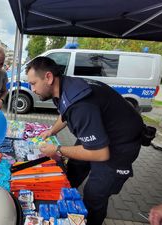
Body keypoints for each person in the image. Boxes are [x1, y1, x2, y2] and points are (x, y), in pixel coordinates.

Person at [26, 57, 144, 225]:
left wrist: (58, 149)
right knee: (74, 167)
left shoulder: (81, 106)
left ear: (49, 78)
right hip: (101, 133)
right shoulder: (63, 87)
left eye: (33, 83)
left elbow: (101, 154)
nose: (32, 89)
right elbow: (65, 112)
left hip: (119, 146)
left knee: (94, 196)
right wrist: (51, 131)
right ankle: (65, 202)